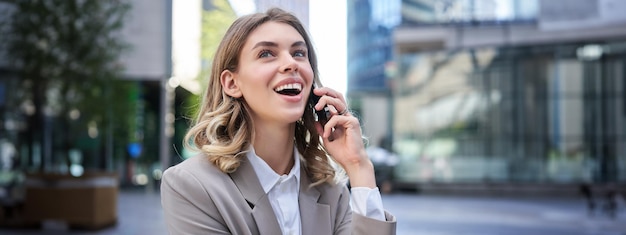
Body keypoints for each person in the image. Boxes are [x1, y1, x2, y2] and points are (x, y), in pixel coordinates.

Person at [160, 7, 397, 235]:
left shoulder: (331, 191)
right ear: (232, 83)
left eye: (298, 53)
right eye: (266, 53)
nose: (291, 63)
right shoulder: (191, 185)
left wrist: (359, 166)